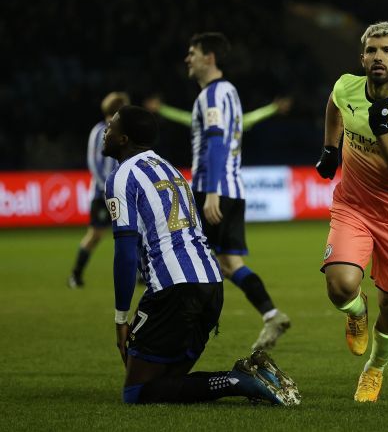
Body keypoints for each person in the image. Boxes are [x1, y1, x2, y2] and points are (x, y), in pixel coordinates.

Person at [102, 105, 299, 405]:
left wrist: (120, 319)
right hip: (211, 285)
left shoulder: (121, 176)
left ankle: (237, 381)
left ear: (124, 139)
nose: (106, 130)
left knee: (137, 392)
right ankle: (248, 374)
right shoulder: (170, 169)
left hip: (174, 291)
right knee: (167, 383)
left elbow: (125, 252)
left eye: (111, 127)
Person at [315, 21, 388, 402]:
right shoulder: (347, 86)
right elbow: (334, 104)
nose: (377, 57)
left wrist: (383, 132)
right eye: (371, 50)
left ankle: (374, 370)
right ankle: (355, 311)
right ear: (362, 57)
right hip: (354, 205)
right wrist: (331, 149)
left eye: (385, 51)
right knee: (340, 286)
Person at [186, 32, 290, 351]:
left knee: (194, 260)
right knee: (229, 264)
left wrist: (213, 192)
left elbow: (217, 143)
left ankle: (188, 330)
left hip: (214, 189)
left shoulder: (213, 96)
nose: (187, 59)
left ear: (209, 58)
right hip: (233, 187)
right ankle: (271, 314)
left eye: (193, 53)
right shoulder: (229, 92)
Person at [68, 91, 130, 288]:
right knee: (95, 234)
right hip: (102, 193)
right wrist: (107, 187)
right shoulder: (99, 131)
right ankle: (75, 274)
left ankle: (140, 274)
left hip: (122, 193)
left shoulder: (124, 133)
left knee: (135, 233)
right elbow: (93, 163)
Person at [143, 93, 293, 131]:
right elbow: (183, 117)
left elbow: (252, 117)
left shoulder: (232, 124)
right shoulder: (205, 122)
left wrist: (273, 108)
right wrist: (161, 108)